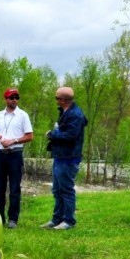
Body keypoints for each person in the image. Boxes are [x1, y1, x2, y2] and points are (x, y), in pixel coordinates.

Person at [42, 87, 88, 230]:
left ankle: (69, 221)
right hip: (60, 156)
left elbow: (71, 136)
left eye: (57, 98)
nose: (56, 101)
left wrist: (52, 135)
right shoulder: (65, 112)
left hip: (69, 158)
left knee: (66, 189)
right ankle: (57, 219)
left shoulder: (75, 115)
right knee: (57, 189)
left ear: (63, 100)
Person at [0, 88, 33, 229]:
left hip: (15, 154)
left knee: (15, 188)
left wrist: (14, 140)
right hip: (0, 154)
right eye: (11, 97)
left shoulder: (22, 115)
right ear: (6, 99)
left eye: (17, 97)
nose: (15, 99)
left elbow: (29, 136)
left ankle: (13, 219)